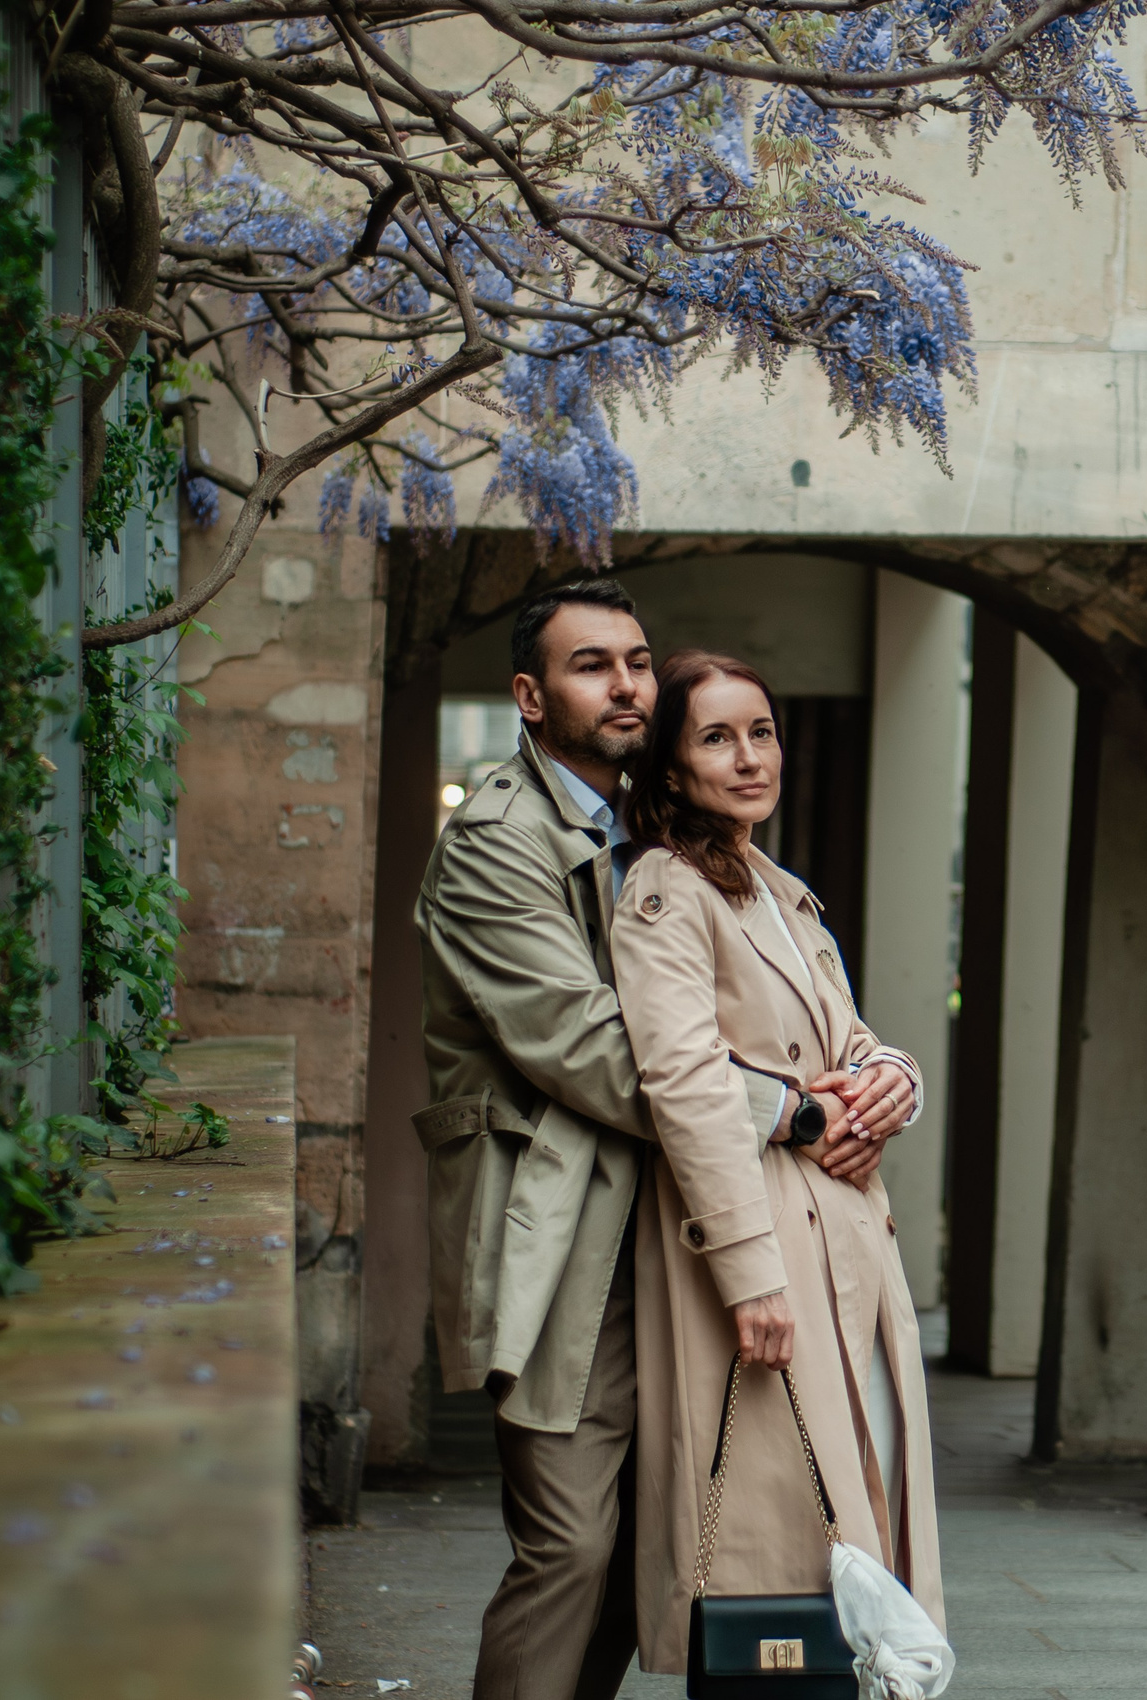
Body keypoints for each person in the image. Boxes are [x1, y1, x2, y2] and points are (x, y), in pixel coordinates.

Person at [415, 579, 798, 1700]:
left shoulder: (657, 825)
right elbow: (592, 1050)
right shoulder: (496, 844)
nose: (627, 683)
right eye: (593, 664)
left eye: (636, 660)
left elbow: (784, 973)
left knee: (650, 1558)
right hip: (558, 1237)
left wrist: (879, 1075)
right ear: (530, 696)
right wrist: (790, 1108)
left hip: (663, 1228)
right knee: (572, 1543)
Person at [609, 649, 941, 1673]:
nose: (748, 755)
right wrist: (749, 1276)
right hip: (766, 1247)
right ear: (669, 766)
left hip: (844, 1239)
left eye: (760, 730)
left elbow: (852, 1041)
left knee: (860, 1504)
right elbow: (688, 1085)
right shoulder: (666, 891)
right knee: (778, 1543)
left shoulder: (773, 886)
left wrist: (895, 1079)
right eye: (715, 736)